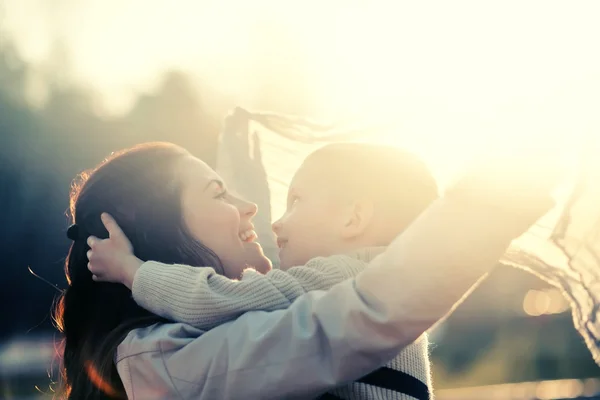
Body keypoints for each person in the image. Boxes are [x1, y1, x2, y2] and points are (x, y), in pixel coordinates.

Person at [56, 141, 556, 399]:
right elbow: (343, 322)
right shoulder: (163, 361)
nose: (255, 209)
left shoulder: (163, 355)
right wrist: (493, 201)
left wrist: (134, 270)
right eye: (219, 193)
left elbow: (248, 310)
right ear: (162, 229)